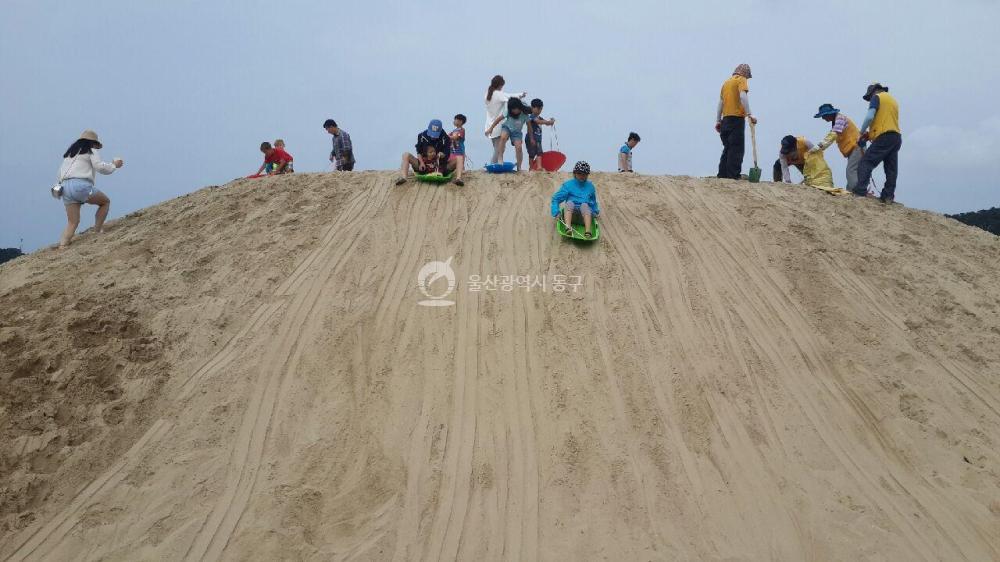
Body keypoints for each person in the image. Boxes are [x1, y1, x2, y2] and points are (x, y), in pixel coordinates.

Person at [55, 130, 122, 248]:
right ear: (93, 143)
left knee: (72, 222)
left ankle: (63, 246)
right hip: (80, 186)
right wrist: (114, 165)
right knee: (105, 202)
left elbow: (59, 173)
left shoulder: (70, 155)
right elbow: (99, 167)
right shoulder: (91, 151)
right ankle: (97, 231)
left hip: (64, 188)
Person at [857, 83, 902, 202]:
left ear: (874, 91)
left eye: (869, 97)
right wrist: (870, 135)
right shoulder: (893, 101)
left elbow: (869, 117)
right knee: (891, 169)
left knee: (865, 162)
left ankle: (860, 191)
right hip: (896, 137)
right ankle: (888, 196)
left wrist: (860, 133)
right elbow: (884, 121)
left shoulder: (877, 97)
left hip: (884, 136)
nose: (869, 100)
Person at [715, 63, 758, 180]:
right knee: (736, 148)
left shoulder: (726, 83)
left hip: (725, 119)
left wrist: (718, 120)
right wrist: (749, 114)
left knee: (727, 148)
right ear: (745, 73)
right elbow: (743, 96)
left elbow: (721, 103)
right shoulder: (741, 79)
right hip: (736, 119)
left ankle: (722, 174)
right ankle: (733, 175)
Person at [812, 104, 863, 193]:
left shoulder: (839, 119)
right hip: (854, 149)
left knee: (850, 171)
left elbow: (832, 136)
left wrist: (819, 147)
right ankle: (851, 192)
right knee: (854, 172)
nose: (823, 118)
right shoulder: (836, 122)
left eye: (824, 116)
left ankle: (858, 192)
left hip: (856, 147)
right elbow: (831, 135)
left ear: (829, 114)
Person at [551, 161, 600, 239]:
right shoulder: (568, 185)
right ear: (574, 173)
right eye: (579, 173)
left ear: (587, 175)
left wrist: (595, 212)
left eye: (584, 174)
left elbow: (593, 202)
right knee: (570, 203)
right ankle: (568, 227)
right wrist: (555, 211)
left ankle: (588, 231)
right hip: (571, 216)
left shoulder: (590, 187)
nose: (581, 176)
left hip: (583, 219)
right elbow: (556, 199)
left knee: (584, 205)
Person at [484, 75, 527, 164]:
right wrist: (521, 95)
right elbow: (510, 97)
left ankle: (495, 164)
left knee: (497, 147)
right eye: (502, 85)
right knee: (498, 149)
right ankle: (494, 165)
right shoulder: (498, 94)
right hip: (498, 125)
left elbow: (507, 96)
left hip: (489, 125)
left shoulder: (488, 93)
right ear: (500, 85)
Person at [396, 120, 451, 185]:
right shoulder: (422, 136)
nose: (433, 136)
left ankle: (458, 178)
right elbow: (419, 151)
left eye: (435, 134)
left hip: (439, 167)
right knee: (406, 155)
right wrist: (421, 163)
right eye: (432, 133)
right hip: (423, 166)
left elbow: (447, 153)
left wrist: (442, 154)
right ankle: (404, 178)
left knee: (458, 159)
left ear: (440, 131)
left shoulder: (445, 138)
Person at [486, 97, 530, 171]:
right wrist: (491, 128)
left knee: (519, 147)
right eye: (512, 109)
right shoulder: (508, 111)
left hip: (517, 132)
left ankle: (519, 167)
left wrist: (530, 136)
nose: (514, 111)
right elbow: (498, 119)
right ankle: (500, 158)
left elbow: (529, 125)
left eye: (515, 109)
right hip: (507, 127)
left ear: (519, 107)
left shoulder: (525, 112)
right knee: (503, 137)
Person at [526, 98, 555, 171]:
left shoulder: (540, 118)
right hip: (531, 138)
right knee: (531, 154)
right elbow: (538, 121)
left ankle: (539, 166)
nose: (539, 111)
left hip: (538, 139)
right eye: (538, 109)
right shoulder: (531, 116)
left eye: (541, 109)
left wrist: (551, 121)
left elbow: (545, 122)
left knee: (539, 152)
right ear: (532, 108)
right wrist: (547, 122)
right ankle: (531, 167)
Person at [448, 114, 467, 186]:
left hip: (459, 149)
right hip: (452, 149)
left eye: (455, 119)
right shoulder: (454, 130)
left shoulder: (462, 130)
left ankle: (461, 170)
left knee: (460, 159)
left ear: (460, 121)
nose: (454, 121)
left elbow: (455, 137)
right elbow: (449, 135)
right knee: (452, 157)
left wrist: (448, 137)